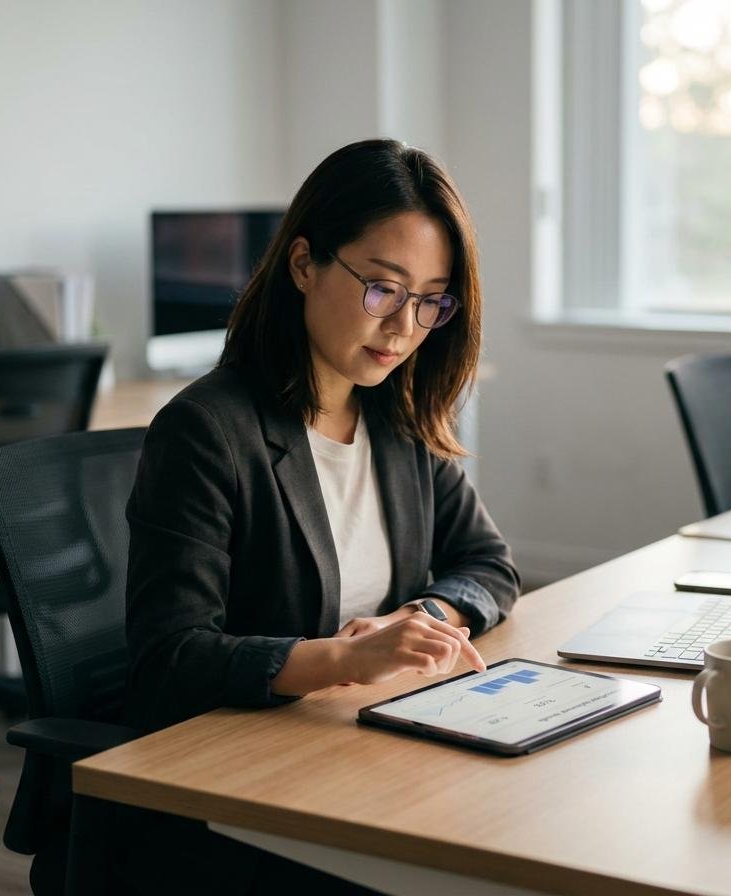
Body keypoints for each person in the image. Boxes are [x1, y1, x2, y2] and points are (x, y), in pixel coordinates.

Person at [115, 139, 520, 895]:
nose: (404, 328)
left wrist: (421, 617)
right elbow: (167, 663)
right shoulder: (208, 430)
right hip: (244, 786)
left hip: (369, 751)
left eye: (431, 299)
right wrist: (342, 659)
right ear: (304, 264)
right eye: (382, 289)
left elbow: (489, 566)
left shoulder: (397, 416)